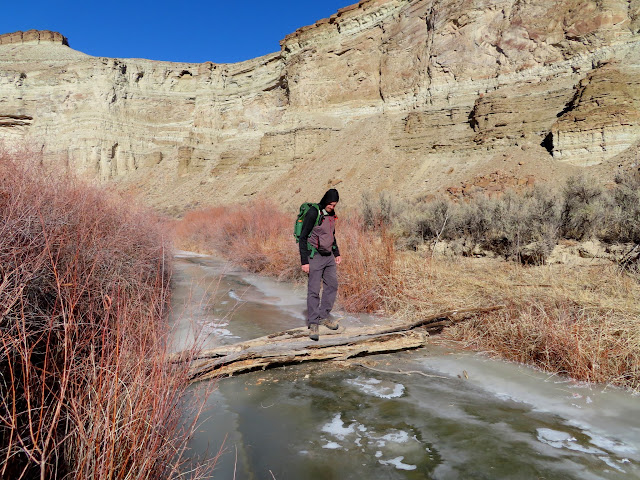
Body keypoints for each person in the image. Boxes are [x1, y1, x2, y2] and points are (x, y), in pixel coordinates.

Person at [299, 188, 342, 341]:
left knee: (332, 285)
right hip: (314, 256)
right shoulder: (313, 213)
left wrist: (336, 253)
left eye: (335, 205)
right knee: (314, 290)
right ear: (325, 201)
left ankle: (324, 316)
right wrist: (304, 261)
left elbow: (332, 235)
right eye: (330, 204)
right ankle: (313, 323)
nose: (332, 207)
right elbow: (303, 237)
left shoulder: (331, 214)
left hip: (329, 256)